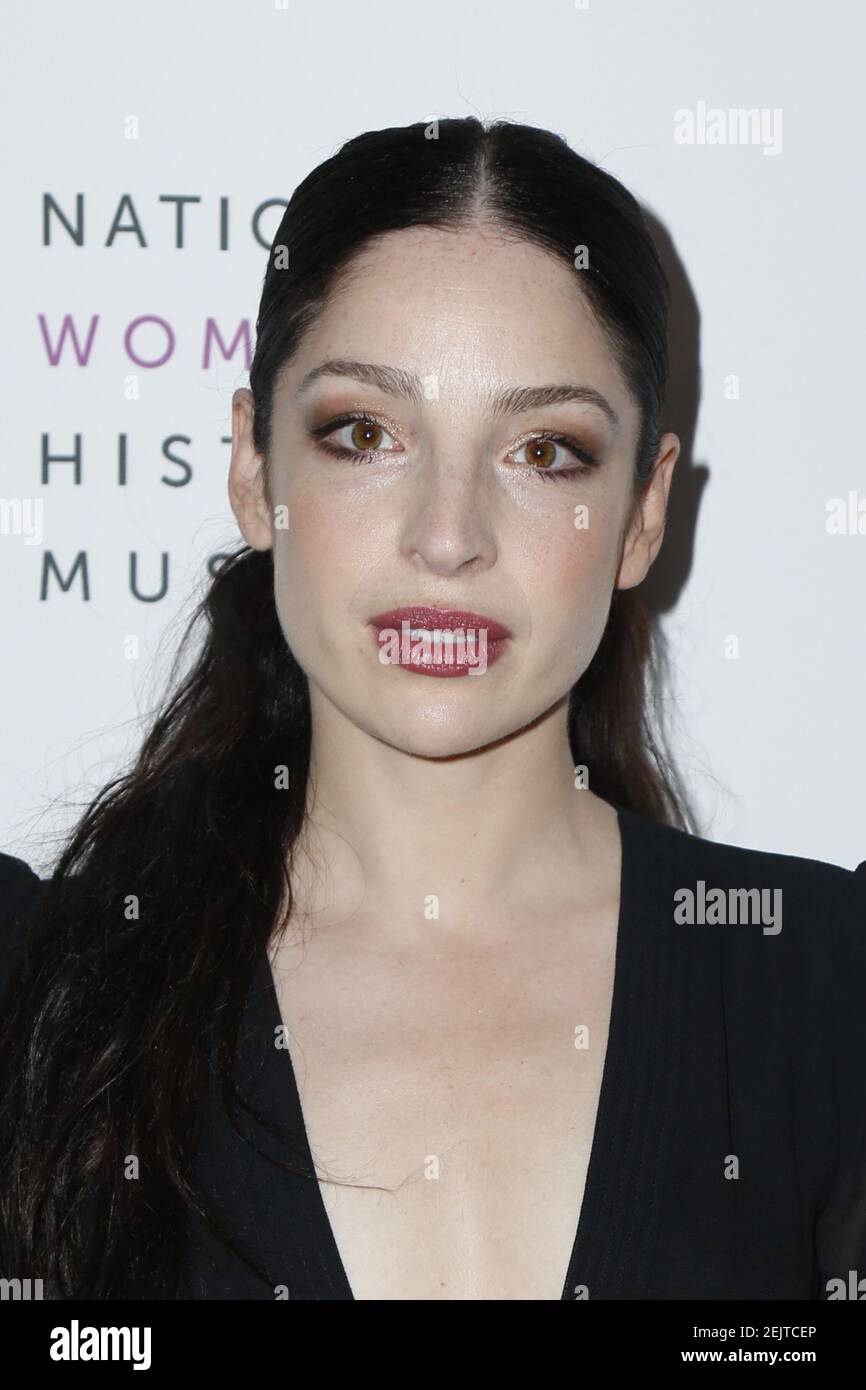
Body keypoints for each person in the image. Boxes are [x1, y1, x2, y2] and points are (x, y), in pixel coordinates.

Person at [1, 116, 863, 1302]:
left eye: (544, 451)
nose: (446, 537)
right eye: (365, 433)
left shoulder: (827, 986)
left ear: (644, 513)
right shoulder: (33, 993)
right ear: (254, 471)